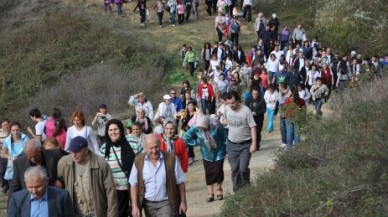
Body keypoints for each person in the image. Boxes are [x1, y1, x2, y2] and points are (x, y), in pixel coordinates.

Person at [57, 136, 118, 217]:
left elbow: (111, 193)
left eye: (77, 152)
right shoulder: (64, 163)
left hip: (97, 213)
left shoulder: (101, 164)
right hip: (75, 213)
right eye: (71, 151)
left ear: (86, 150)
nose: (74, 155)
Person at [129, 134, 187, 217]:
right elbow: (133, 184)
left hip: (167, 203)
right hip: (148, 205)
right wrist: (134, 206)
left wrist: (183, 201)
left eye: (156, 147)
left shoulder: (171, 159)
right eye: (151, 148)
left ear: (160, 145)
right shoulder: (138, 161)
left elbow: (180, 181)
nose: (154, 150)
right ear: (145, 147)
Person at [183, 113, 227, 202]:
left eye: (204, 127)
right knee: (209, 172)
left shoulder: (216, 125)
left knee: (218, 170)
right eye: (200, 128)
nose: (202, 129)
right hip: (206, 153)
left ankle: (219, 189)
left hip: (219, 151)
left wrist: (227, 148)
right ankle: (210, 193)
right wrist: (197, 142)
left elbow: (225, 137)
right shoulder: (196, 127)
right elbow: (186, 137)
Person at [222, 91, 257, 192]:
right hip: (231, 144)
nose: (231, 105)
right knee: (234, 169)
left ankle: (246, 188)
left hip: (245, 144)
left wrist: (254, 144)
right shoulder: (226, 109)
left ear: (237, 100)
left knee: (243, 169)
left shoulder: (246, 111)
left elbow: (253, 127)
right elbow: (225, 120)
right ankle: (237, 191)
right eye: (228, 103)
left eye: (233, 103)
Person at [100, 119, 136, 217]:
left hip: (134, 186)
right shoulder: (104, 148)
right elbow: (101, 169)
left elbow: (142, 160)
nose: (113, 132)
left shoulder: (132, 141)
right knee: (120, 213)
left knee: (136, 212)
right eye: (110, 130)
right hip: (117, 188)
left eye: (115, 129)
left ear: (120, 129)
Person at [7, 166, 75, 217]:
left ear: (46, 181)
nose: (34, 191)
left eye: (38, 187)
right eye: (30, 187)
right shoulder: (17, 198)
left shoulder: (62, 196)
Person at [2, 122, 29, 192]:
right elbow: (3, 152)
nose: (15, 132)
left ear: (20, 130)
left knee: (24, 188)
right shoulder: (7, 140)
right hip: (12, 167)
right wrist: (9, 157)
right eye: (13, 130)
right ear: (10, 131)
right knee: (13, 189)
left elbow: (30, 150)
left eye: (17, 130)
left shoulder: (25, 138)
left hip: (24, 165)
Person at [0, 119, 11, 193]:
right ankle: (5, 185)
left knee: (11, 171)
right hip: (3, 155)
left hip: (12, 156)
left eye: (6, 124)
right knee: (2, 171)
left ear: (9, 124)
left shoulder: (13, 131)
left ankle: (11, 186)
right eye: (3, 125)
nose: (5, 126)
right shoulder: (0, 132)